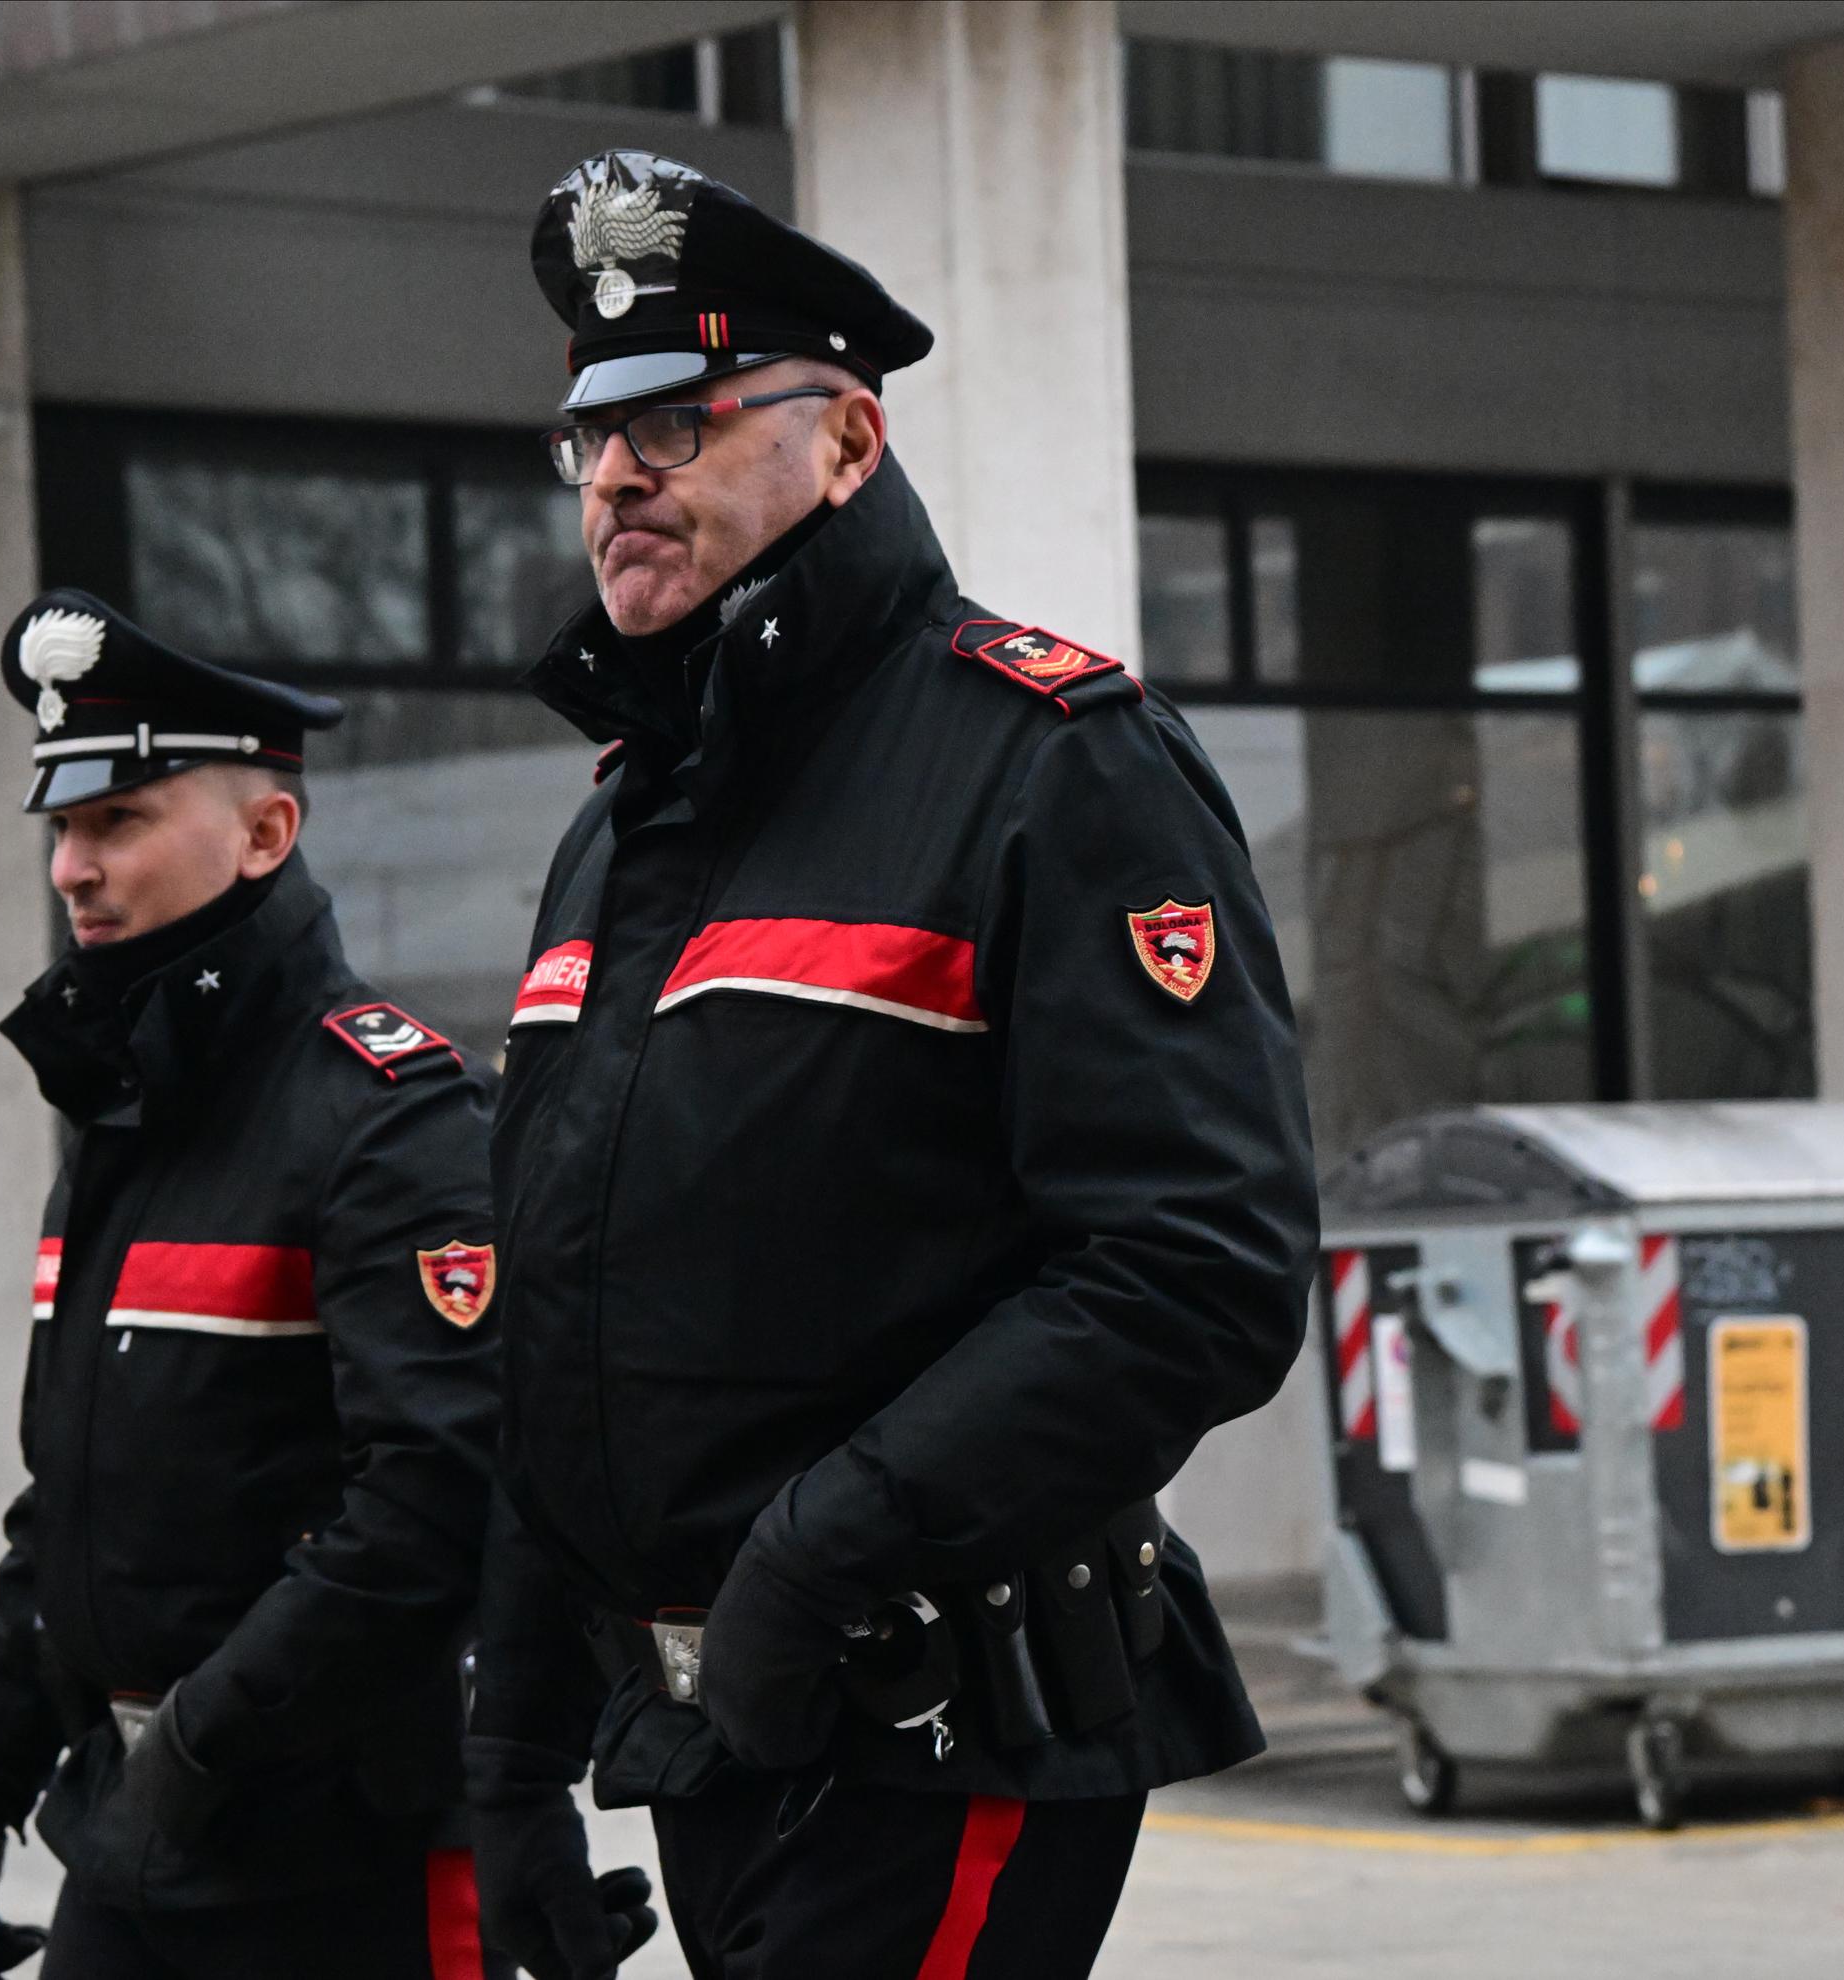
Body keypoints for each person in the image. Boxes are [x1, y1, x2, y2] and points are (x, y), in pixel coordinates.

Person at [465, 152, 1320, 1980]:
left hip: (947, 1714)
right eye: (592, 436)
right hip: (704, 1731)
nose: (619, 472)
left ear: (847, 443)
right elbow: (562, 1317)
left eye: (678, 422)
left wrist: (810, 1562)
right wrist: (516, 1754)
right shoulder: (624, 828)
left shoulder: (1055, 763)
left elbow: (1197, 1271)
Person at [0, 590, 545, 1980]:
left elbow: (434, 1500)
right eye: (64, 828)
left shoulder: (390, 1117)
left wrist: (198, 1745)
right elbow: (66, 1507)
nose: (73, 868)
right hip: (133, 1833)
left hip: (342, 1852)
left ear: (268, 834)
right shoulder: (122, 1121)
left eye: (121, 819)